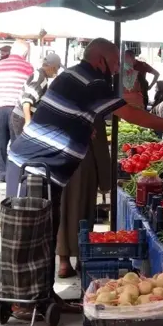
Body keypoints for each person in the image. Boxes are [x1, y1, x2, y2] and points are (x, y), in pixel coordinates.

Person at [0, 38, 163, 313]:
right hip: (35, 167)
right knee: (29, 237)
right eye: (113, 65)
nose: (114, 71)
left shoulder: (71, 75)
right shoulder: (91, 80)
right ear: (100, 60)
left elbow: (65, 114)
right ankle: (20, 303)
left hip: (39, 166)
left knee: (45, 236)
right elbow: (133, 115)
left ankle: (43, 295)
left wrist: (82, 127)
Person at [57, 117, 110, 278]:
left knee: (61, 210)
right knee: (84, 210)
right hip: (82, 161)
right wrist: (105, 181)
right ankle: (82, 258)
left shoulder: (57, 101)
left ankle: (63, 261)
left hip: (57, 160)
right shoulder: (92, 108)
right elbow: (99, 144)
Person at [0, 40, 34, 183]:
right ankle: (16, 173)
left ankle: (1, 174)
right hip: (17, 109)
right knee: (17, 142)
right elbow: (29, 90)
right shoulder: (28, 67)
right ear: (25, 53)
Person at [10, 53, 63, 139]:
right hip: (22, 118)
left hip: (19, 116)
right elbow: (26, 100)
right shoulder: (41, 79)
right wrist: (27, 121)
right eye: (58, 68)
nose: (57, 71)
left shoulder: (39, 75)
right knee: (24, 149)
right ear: (53, 67)